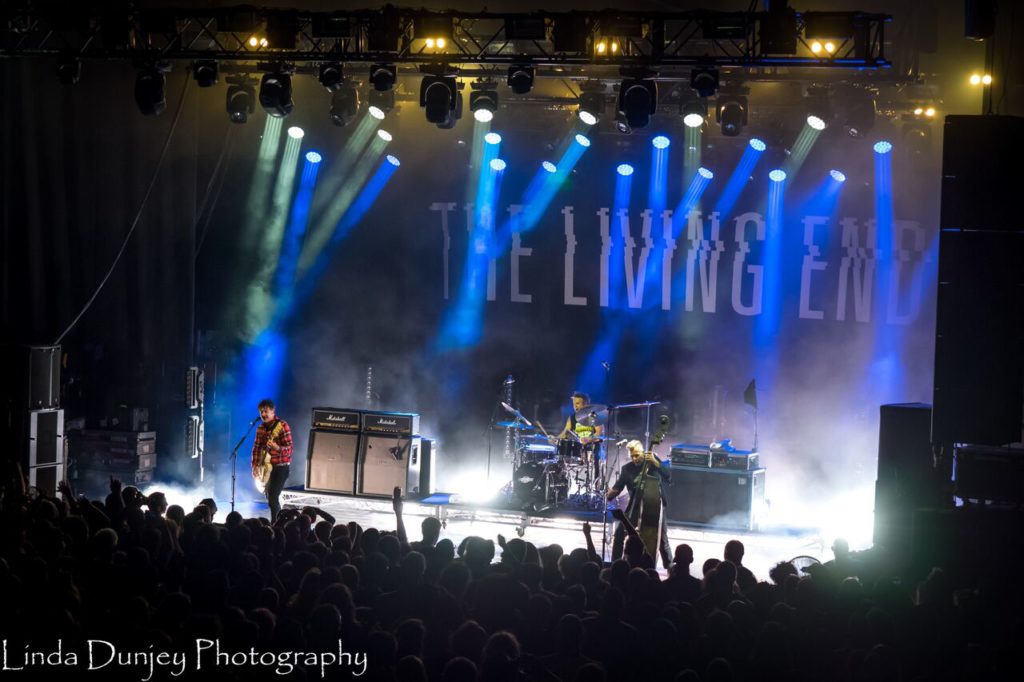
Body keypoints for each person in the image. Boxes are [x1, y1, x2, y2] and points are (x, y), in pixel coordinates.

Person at [607, 439, 671, 568]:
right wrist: (611, 493)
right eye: (632, 456)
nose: (634, 458)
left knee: (662, 538)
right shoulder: (627, 469)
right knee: (619, 533)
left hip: (655, 505)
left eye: (637, 455)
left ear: (642, 452)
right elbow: (618, 487)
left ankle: (670, 566)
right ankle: (615, 565)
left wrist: (655, 462)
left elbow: (668, 477)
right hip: (635, 506)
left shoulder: (653, 461)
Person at [251, 398, 293, 523]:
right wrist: (254, 466)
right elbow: (256, 448)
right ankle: (280, 521)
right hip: (265, 468)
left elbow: (290, 449)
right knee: (270, 497)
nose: (263, 414)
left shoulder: (282, 426)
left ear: (273, 411)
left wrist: (278, 448)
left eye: (266, 411)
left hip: (281, 467)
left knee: (273, 497)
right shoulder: (260, 429)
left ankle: (275, 524)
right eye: (261, 412)